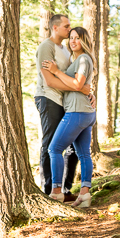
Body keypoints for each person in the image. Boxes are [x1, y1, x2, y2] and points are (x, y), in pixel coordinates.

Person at [34, 15, 89, 201]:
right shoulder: (46, 47)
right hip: (49, 99)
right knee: (50, 144)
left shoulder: (65, 50)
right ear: (55, 28)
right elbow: (49, 81)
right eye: (66, 26)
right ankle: (49, 189)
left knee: (72, 147)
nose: (70, 29)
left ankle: (65, 189)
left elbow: (73, 77)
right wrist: (78, 87)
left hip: (65, 102)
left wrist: (83, 88)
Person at [42, 26, 97, 208]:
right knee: (83, 154)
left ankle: (56, 193)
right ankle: (84, 195)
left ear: (84, 41)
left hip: (77, 112)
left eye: (77, 38)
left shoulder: (83, 58)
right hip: (86, 112)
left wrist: (57, 72)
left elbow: (77, 83)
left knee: (54, 149)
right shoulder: (79, 59)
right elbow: (80, 85)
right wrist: (85, 89)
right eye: (71, 38)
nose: (73, 41)